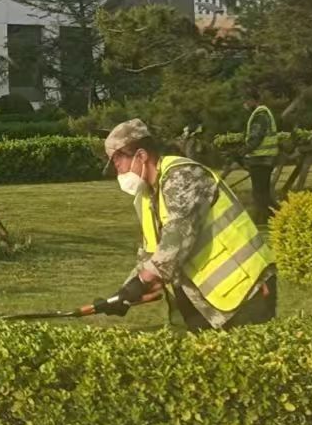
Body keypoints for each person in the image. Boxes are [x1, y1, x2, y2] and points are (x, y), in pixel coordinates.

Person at [99, 119, 277, 332]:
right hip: (206, 298)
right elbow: (151, 254)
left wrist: (141, 282)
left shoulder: (183, 176)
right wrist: (123, 295)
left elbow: (177, 236)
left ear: (142, 156)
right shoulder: (146, 196)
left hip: (245, 287)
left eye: (118, 163)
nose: (117, 172)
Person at [243, 102, 280, 216]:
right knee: (263, 193)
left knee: (259, 194)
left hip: (260, 158)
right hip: (265, 158)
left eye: (246, 101)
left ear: (253, 100)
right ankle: (277, 216)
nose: (244, 104)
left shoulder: (260, 116)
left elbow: (256, 137)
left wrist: (244, 150)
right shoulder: (264, 113)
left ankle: (272, 217)